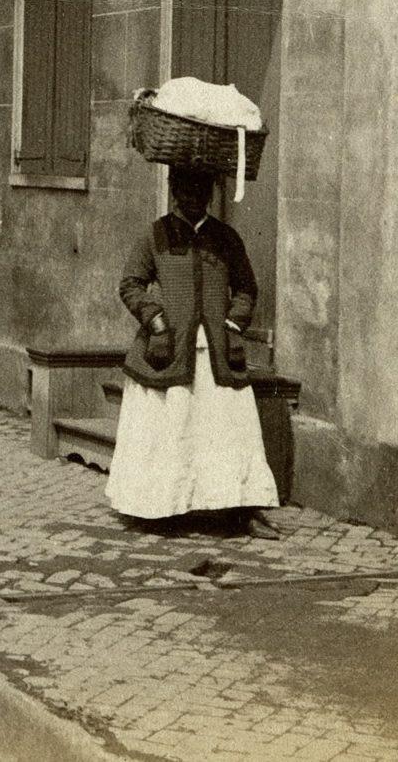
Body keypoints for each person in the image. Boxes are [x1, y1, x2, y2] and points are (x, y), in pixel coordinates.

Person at [106, 165, 281, 539]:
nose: (193, 197)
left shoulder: (226, 238)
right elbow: (130, 284)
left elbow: (247, 288)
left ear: (210, 194)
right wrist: (154, 319)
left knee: (226, 430)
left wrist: (233, 322)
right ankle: (157, 507)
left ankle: (237, 510)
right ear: (173, 189)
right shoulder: (155, 235)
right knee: (169, 428)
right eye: (185, 188)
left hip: (216, 353)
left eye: (201, 190)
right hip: (170, 350)